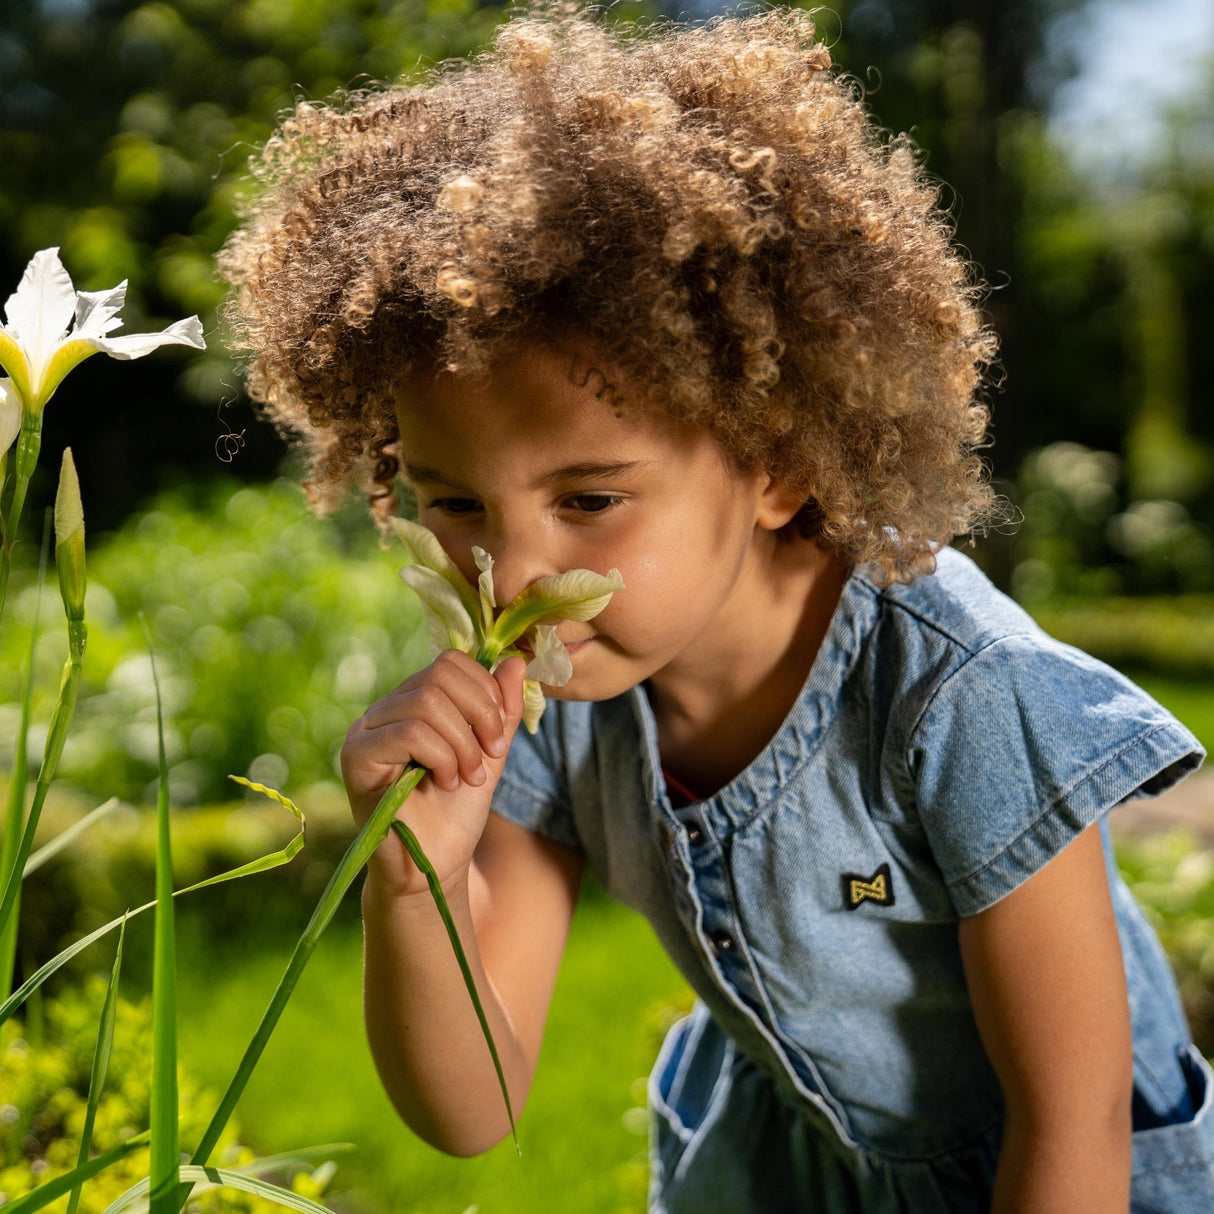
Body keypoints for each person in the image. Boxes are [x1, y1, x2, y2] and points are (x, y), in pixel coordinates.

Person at [218, 5, 1213, 1209]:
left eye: (588, 497)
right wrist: (414, 876)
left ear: (774, 463)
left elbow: (1070, 1131)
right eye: (454, 502)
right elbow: (471, 1104)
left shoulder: (963, 692)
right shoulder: (560, 700)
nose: (511, 576)